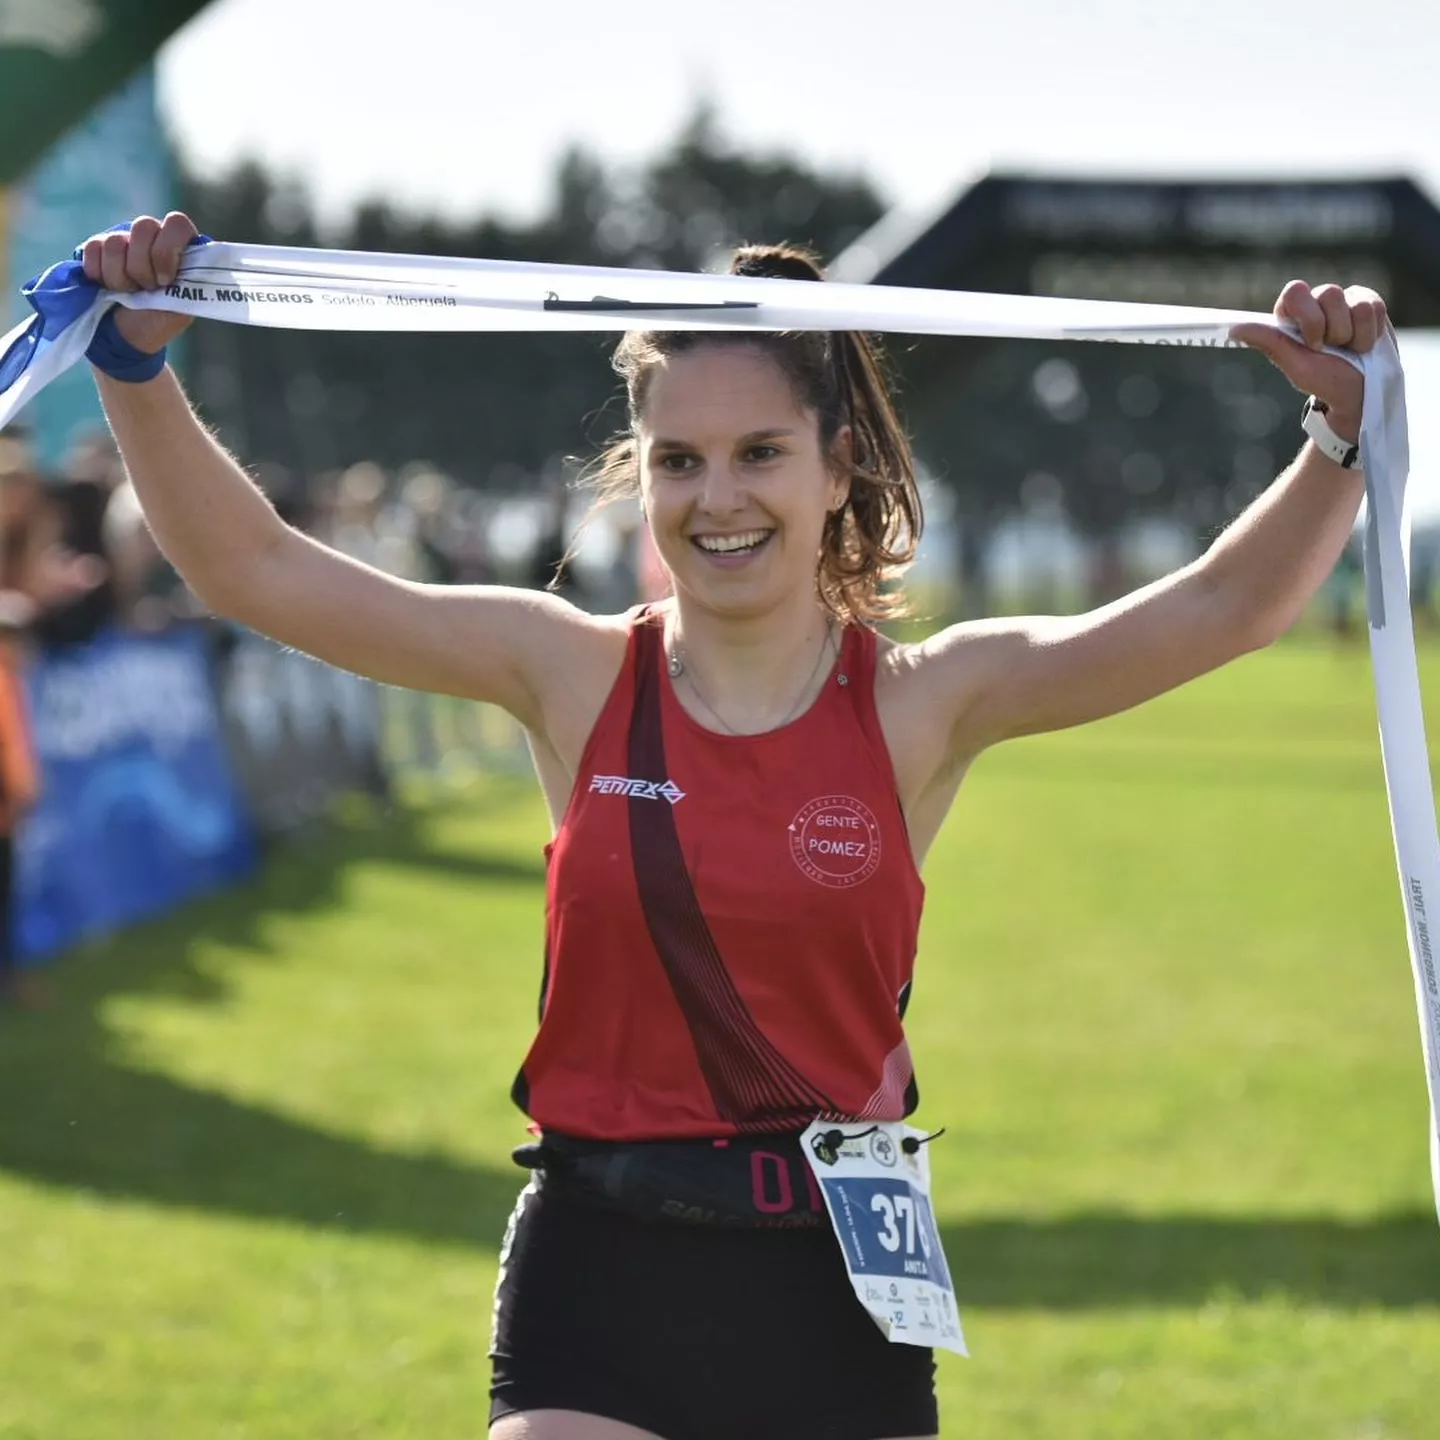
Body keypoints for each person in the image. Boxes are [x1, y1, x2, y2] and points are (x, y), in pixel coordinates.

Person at [79, 212, 1385, 1440]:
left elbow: (1222, 611)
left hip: (839, 1279)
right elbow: (254, 568)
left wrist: (1337, 438)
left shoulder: (930, 702)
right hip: (599, 1259)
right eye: (680, 460)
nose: (720, 499)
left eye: (761, 452)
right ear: (638, 475)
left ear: (838, 465)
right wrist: (135, 368)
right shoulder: (568, 671)